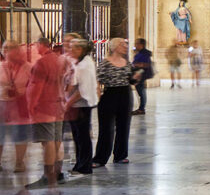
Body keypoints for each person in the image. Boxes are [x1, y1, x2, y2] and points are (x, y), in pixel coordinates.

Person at [22, 38, 66, 195]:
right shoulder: (59, 60)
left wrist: (31, 106)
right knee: (55, 141)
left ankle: (50, 181)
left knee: (47, 142)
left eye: (35, 45)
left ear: (41, 45)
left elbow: (35, 88)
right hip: (58, 105)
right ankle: (54, 177)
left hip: (45, 107)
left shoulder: (42, 63)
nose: (34, 48)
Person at [94, 38, 139, 168]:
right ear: (114, 47)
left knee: (124, 126)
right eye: (122, 44)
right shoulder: (105, 63)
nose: (125, 46)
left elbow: (131, 80)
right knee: (106, 128)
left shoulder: (127, 63)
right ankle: (100, 158)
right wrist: (98, 96)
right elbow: (98, 80)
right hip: (110, 95)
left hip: (125, 95)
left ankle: (120, 155)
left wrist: (135, 79)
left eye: (125, 44)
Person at [0, 41, 30, 176]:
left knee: (19, 133)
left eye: (11, 48)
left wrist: (22, 92)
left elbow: (34, 86)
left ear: (18, 51)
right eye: (5, 48)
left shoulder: (27, 67)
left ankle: (19, 162)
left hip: (19, 104)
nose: (7, 51)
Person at [64, 38, 97, 176]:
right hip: (77, 104)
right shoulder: (84, 61)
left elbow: (80, 91)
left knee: (82, 136)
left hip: (80, 105)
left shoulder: (84, 65)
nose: (69, 50)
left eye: (73, 47)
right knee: (78, 136)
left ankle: (84, 166)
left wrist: (67, 104)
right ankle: (80, 164)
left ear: (80, 49)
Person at [131, 38, 153, 115]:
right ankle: (141, 108)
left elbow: (146, 64)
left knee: (141, 93)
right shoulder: (140, 53)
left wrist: (136, 65)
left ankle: (141, 109)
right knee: (140, 92)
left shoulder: (144, 54)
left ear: (141, 45)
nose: (135, 45)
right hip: (138, 74)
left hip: (140, 75)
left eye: (137, 44)